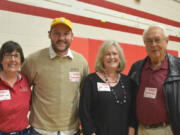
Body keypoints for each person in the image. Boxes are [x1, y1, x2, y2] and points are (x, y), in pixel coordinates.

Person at [21, 17, 89, 135]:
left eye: (66, 34)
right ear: (49, 35)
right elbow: (21, 91)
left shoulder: (81, 62)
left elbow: (86, 97)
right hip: (40, 130)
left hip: (72, 130)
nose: (61, 38)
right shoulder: (33, 60)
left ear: (72, 36)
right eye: (56, 33)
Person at [128, 25, 180, 135]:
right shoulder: (136, 68)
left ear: (166, 41)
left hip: (168, 130)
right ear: (144, 43)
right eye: (149, 41)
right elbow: (131, 101)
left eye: (157, 40)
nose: (153, 45)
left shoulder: (177, 67)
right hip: (141, 130)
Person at [79, 40, 137, 135]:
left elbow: (133, 113)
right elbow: (84, 112)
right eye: (107, 54)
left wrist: (131, 132)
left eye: (115, 54)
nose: (112, 57)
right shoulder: (91, 81)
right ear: (102, 58)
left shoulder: (128, 82)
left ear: (120, 57)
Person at [0, 41, 31, 135]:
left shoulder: (25, 80)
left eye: (16, 56)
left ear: (21, 60)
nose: (13, 59)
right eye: (8, 55)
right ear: (1, 60)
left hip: (23, 132)